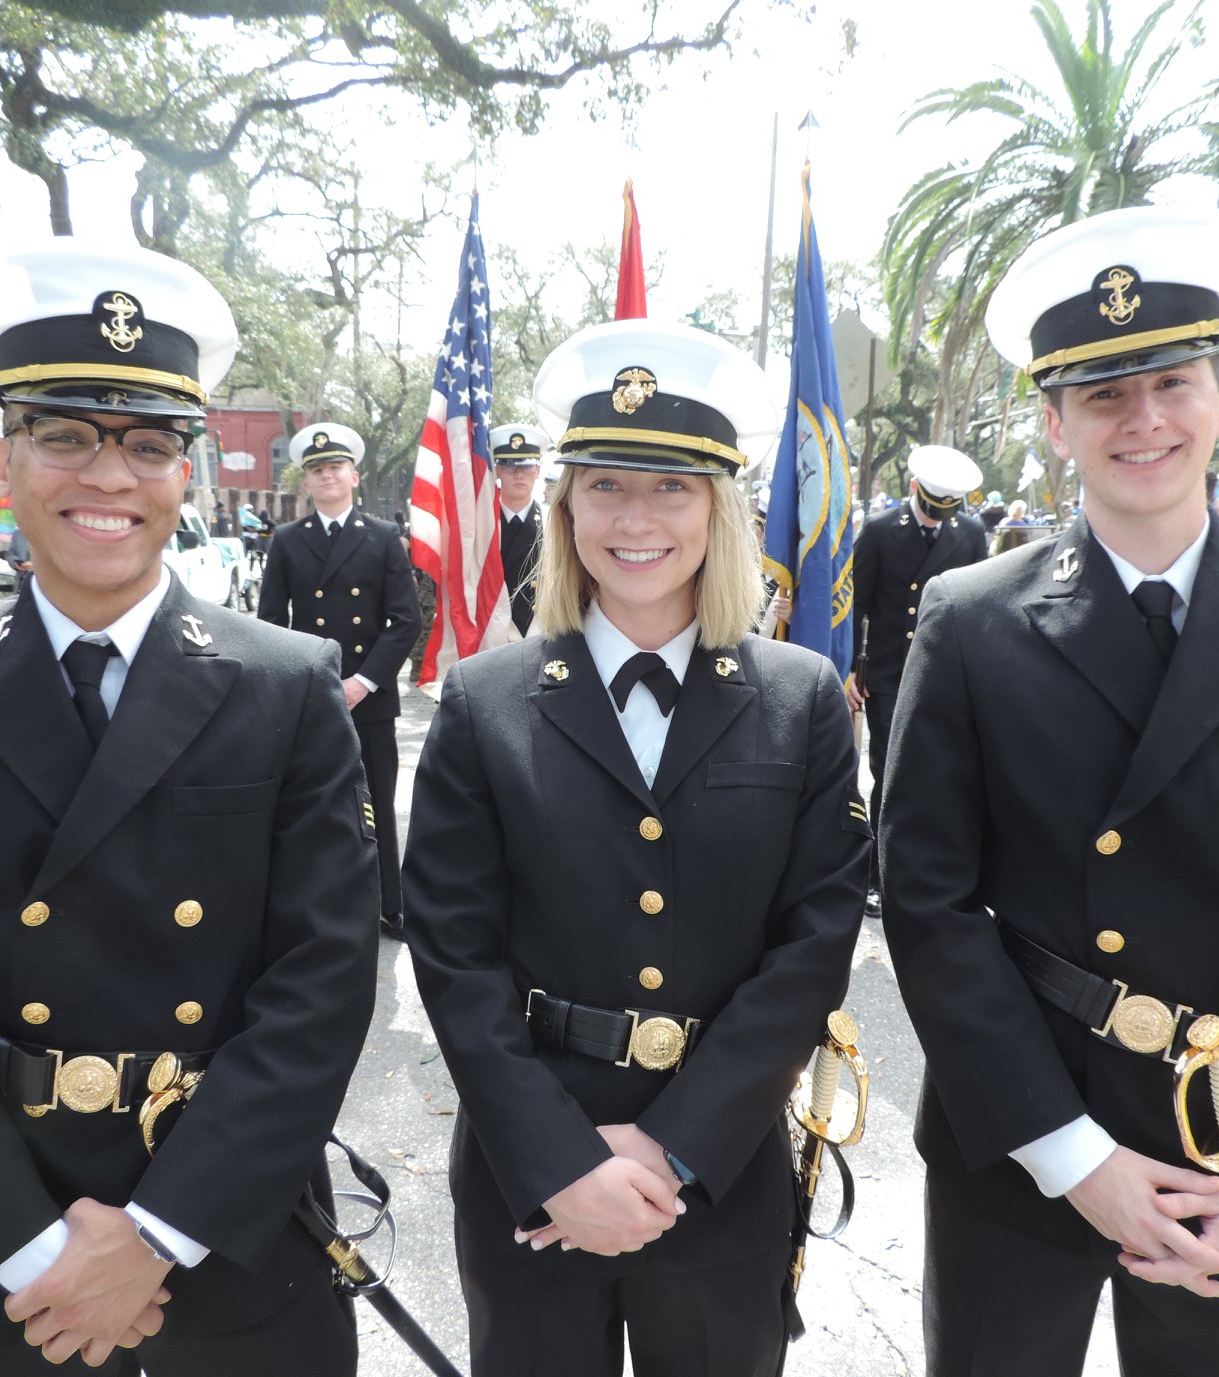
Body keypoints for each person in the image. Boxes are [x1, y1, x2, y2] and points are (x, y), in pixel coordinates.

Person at [883, 204, 1219, 1376]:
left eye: (1173, 383)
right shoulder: (971, 622)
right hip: (1024, 1136)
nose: (1143, 421)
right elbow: (928, 903)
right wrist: (1068, 1152)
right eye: (1101, 396)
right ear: (1054, 424)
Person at [0, 238, 379, 1376]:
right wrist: (30, 1253)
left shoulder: (285, 681)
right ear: (3, 456)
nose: (108, 478)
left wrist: (161, 1235)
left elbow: (322, 979)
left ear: (190, 470)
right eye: (64, 435)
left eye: (149, 443)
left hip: (228, 1235)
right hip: (1, 1255)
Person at [403, 318, 870, 1377]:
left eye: (671, 488)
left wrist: (671, 1150)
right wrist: (562, 1161)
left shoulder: (798, 702)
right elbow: (451, 950)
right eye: (605, 486)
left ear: (721, 509)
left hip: (722, 1163)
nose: (636, 518)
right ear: (565, 508)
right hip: (532, 1171)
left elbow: (814, 945)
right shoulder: (487, 700)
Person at [257, 421, 420, 941]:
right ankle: (319, 905)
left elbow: (405, 620)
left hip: (367, 698)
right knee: (311, 802)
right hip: (313, 694)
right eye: (316, 470)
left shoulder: (383, 537)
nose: (327, 476)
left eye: (335, 468)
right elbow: (268, 623)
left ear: (354, 476)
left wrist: (364, 681)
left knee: (378, 801)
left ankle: (389, 905)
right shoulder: (287, 541)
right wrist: (295, 683)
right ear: (306, 482)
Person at [847, 444, 986, 918]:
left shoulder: (969, 533)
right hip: (889, 673)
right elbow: (858, 604)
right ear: (914, 490)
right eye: (929, 510)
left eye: (943, 513)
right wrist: (851, 667)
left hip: (944, 672)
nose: (934, 522)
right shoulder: (881, 531)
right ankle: (875, 877)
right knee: (889, 777)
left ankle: (931, 874)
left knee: (943, 776)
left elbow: (977, 604)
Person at [492, 422, 548, 636]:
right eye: (509, 464)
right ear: (497, 470)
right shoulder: (483, 526)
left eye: (527, 465)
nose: (519, 474)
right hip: (494, 634)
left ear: (538, 471)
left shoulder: (553, 522)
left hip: (539, 630)